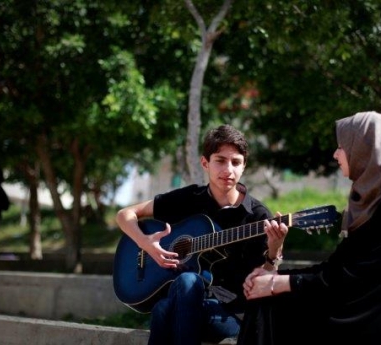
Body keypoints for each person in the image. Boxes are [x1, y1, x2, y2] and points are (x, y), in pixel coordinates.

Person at [237, 111, 381, 345]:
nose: (336, 154)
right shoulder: (375, 200)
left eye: (342, 146)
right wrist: (274, 276)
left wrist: (275, 284)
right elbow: (338, 267)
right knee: (268, 301)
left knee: (273, 304)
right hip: (363, 302)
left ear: (367, 148)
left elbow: (351, 275)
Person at [115, 124, 286, 345]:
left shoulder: (257, 216)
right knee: (174, 296)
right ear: (205, 163)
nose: (229, 170)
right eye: (220, 161)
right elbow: (125, 214)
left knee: (165, 306)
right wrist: (146, 243)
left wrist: (275, 248)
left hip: (230, 313)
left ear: (244, 166)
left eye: (236, 162)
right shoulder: (190, 199)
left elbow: (266, 275)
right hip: (186, 301)